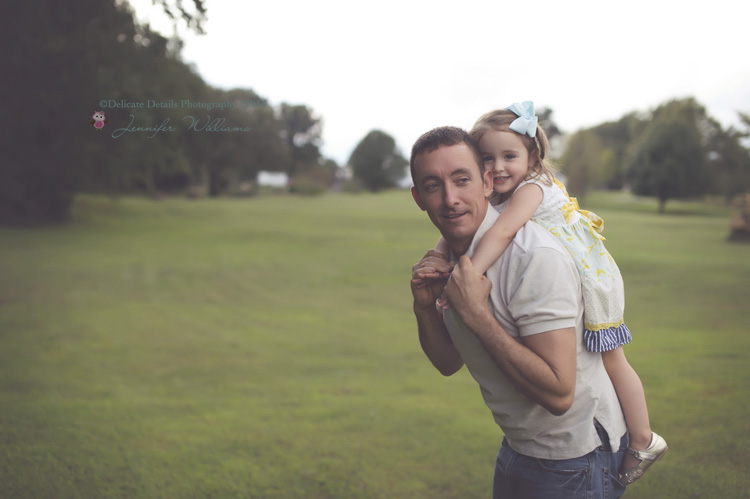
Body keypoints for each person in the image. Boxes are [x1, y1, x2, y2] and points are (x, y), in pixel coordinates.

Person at [416, 102, 667, 484]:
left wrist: (475, 311)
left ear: (485, 182)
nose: (450, 198)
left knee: (616, 358)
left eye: (462, 179)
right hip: (520, 446)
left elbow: (559, 395)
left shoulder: (535, 256)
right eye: (434, 186)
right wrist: (424, 308)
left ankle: (643, 439)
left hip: (574, 458)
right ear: (418, 198)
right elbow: (449, 363)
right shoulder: (453, 251)